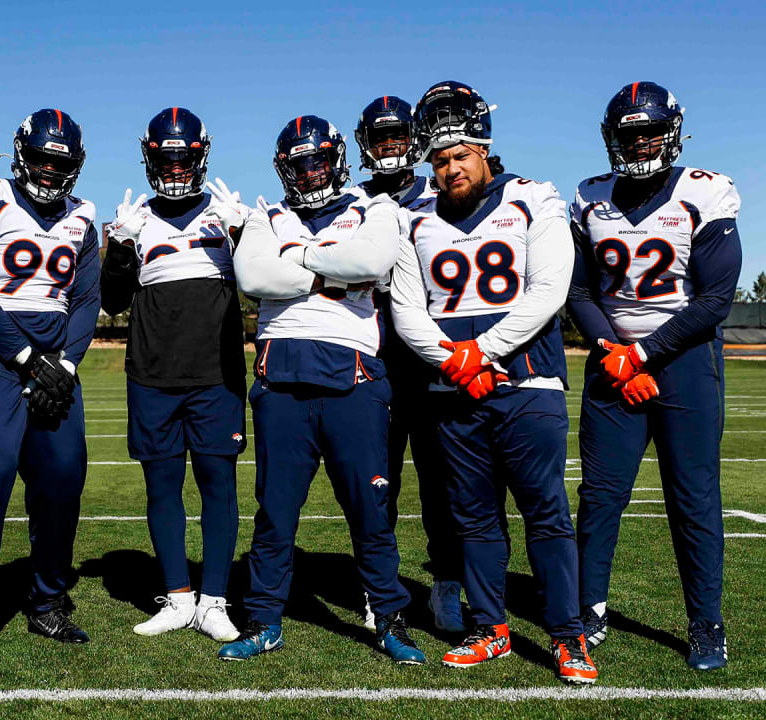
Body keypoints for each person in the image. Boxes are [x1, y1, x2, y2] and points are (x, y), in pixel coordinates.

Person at [391, 81, 596, 685]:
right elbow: (408, 309)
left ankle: (568, 635)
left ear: (484, 150)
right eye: (440, 159)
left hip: (528, 383)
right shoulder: (413, 216)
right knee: (473, 518)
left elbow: (548, 291)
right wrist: (452, 361)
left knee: (546, 514)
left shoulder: (534, 197)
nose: (451, 168)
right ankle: (491, 627)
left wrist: (479, 351)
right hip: (452, 390)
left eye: (461, 156)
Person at [218, 115, 425, 666]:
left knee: (369, 508)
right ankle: (263, 620)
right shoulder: (268, 213)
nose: (308, 175)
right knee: (275, 511)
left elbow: (370, 262)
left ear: (335, 159)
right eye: (296, 166)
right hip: (280, 378)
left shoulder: (375, 206)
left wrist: (297, 259)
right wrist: (329, 272)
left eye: (315, 162)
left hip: (353, 375)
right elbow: (253, 278)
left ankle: (388, 618)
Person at [567, 81, 740, 670]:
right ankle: (589, 608)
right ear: (611, 137)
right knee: (600, 498)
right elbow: (580, 290)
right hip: (611, 362)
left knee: (693, 499)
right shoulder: (589, 197)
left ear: (672, 130)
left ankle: (706, 621)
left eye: (650, 131)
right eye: (629, 134)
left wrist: (641, 355)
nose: (640, 144)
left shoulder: (705, 191)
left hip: (683, 362)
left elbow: (716, 299)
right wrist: (612, 348)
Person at [0, 109, 100, 672]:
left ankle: (47, 602)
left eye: (61, 164)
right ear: (19, 153)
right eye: (41, 160)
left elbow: (85, 299)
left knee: (61, 486)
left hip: (56, 366)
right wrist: (32, 359)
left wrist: (69, 366)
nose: (50, 173)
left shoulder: (83, 215)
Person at [99, 107, 247, 642]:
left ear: (201, 157)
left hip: (216, 376)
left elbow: (256, 285)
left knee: (218, 489)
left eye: (185, 160)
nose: (177, 170)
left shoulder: (229, 214)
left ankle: (214, 600)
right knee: (161, 489)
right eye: (167, 159)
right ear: (149, 159)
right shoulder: (134, 221)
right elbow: (112, 302)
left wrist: (244, 234)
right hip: (152, 377)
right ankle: (178, 597)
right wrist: (118, 246)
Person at [353, 95, 463, 634]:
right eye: (381, 138)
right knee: (379, 482)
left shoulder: (440, 189)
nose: (390, 146)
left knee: (442, 482)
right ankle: (381, 587)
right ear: (364, 144)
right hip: (374, 357)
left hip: (432, 357)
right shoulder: (352, 199)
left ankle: (445, 584)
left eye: (398, 136)